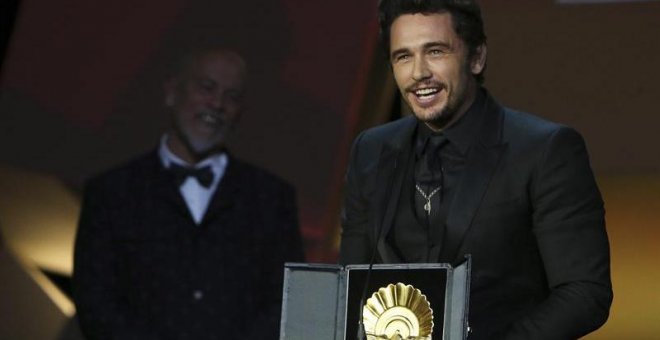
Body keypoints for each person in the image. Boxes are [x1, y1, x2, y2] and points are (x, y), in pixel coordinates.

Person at [339, 1, 612, 339]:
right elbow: (349, 283)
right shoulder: (371, 150)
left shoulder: (545, 150)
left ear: (477, 57)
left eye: (435, 51)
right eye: (403, 56)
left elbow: (585, 292)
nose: (418, 72)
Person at [73, 48, 304, 339]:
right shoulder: (111, 192)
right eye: (207, 87)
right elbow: (96, 302)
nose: (217, 103)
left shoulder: (273, 199)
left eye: (231, 96)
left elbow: (286, 300)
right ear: (172, 92)